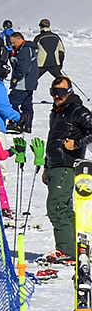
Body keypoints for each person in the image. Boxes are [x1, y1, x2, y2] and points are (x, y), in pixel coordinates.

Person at [49, 78, 92, 256]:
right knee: (64, 207)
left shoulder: (77, 110)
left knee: (56, 206)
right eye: (54, 92)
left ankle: (67, 250)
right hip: (55, 164)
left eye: (62, 92)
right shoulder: (57, 112)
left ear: (70, 92)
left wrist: (76, 144)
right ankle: (79, 247)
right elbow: (53, 140)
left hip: (67, 163)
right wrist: (46, 166)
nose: (58, 96)